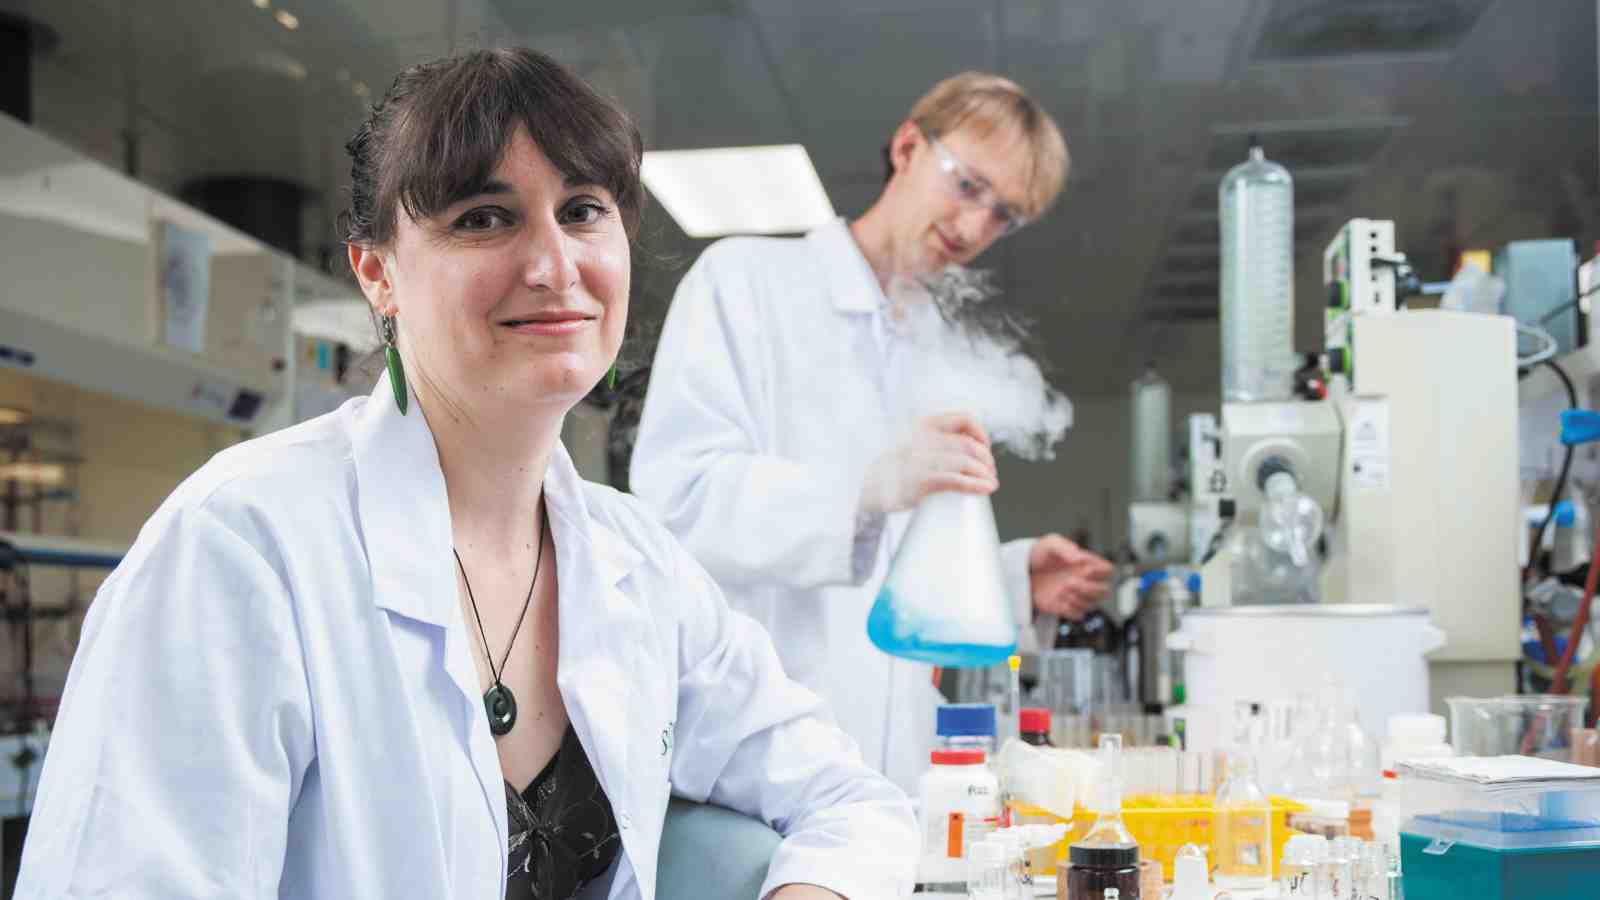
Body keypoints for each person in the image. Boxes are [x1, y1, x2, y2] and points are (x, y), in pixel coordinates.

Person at [16, 49, 915, 900]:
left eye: (583, 210)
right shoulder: (240, 545)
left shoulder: (636, 562)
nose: (554, 265)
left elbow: (849, 797)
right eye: (484, 218)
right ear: (377, 274)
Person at [631, 72, 1115, 793]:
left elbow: (896, 577)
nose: (976, 227)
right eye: (968, 186)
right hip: (754, 761)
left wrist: (1012, 581)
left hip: (895, 773)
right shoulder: (748, 282)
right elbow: (680, 498)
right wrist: (869, 487)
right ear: (909, 146)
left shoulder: (933, 342)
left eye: (1004, 216)